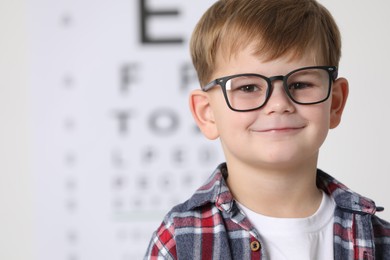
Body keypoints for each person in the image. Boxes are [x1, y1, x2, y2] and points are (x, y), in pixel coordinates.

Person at [145, 0, 390, 259]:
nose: (279, 105)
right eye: (248, 87)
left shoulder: (380, 240)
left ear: (335, 103)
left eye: (301, 84)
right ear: (207, 114)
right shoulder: (181, 240)